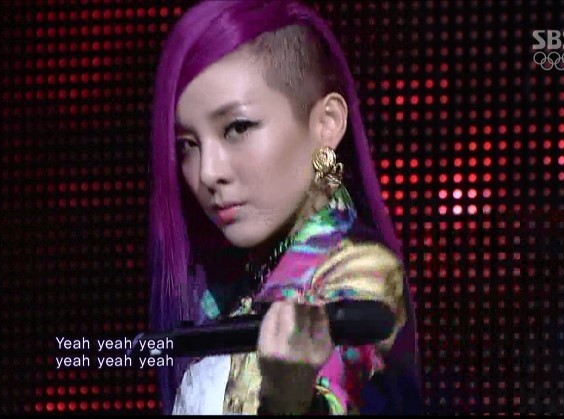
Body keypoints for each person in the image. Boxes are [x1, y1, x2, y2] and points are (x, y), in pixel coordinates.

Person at [147, 0, 421, 414]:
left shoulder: (360, 275)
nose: (207, 172)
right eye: (187, 145)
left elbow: (337, 394)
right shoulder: (222, 289)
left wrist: (290, 398)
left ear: (326, 123)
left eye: (238, 128)